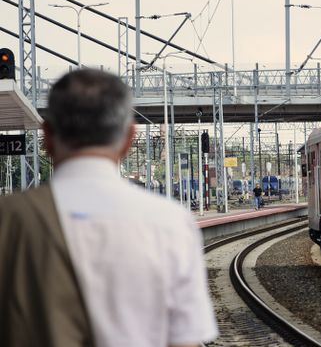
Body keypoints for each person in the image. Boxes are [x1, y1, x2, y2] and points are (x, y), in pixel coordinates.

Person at [0, 69, 218, 347]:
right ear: (128, 138)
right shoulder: (171, 223)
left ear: (47, 136)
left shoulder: (8, 218)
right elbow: (184, 342)